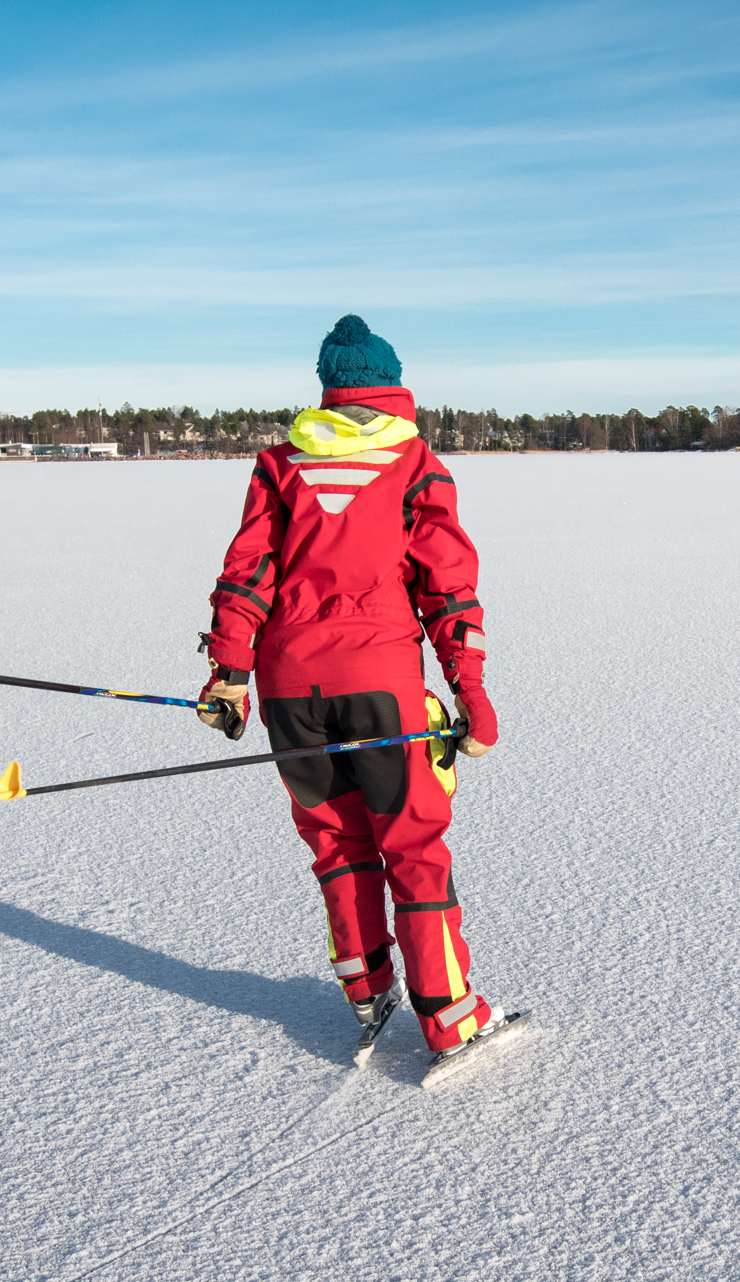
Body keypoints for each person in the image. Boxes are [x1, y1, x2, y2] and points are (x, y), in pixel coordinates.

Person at [195, 315, 507, 1057]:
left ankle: (368, 994)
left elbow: (247, 575)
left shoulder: (279, 466)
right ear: (394, 390)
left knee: (338, 845)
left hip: (289, 694)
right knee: (413, 846)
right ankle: (452, 1016)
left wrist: (228, 676)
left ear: (330, 394)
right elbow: (447, 590)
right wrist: (472, 693)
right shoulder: (415, 465)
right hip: (381, 690)